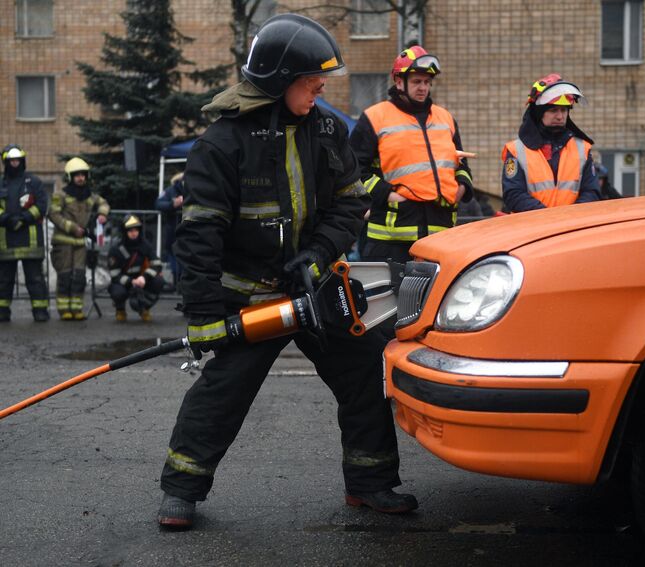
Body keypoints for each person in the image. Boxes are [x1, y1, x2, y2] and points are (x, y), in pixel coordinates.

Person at [157, 14, 416, 529]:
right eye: (310, 81)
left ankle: (370, 483)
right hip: (252, 298)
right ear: (279, 80)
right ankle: (182, 489)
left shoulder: (325, 127)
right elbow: (200, 235)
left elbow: (349, 203)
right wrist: (207, 316)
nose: (321, 88)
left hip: (318, 288)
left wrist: (316, 256)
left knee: (366, 371)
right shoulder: (223, 143)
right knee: (224, 390)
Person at [349, 45, 473, 265]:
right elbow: (354, 172)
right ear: (399, 82)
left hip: (440, 237)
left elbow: (460, 165)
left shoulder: (446, 119)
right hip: (390, 241)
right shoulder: (375, 118)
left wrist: (461, 188)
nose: (423, 88)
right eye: (417, 81)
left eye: (427, 82)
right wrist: (389, 195)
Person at [501, 73, 601, 213]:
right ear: (539, 113)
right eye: (553, 110)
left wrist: (571, 217)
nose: (560, 116)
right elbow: (513, 195)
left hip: (572, 228)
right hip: (532, 229)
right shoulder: (516, 150)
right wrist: (548, 218)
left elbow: (592, 192)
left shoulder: (582, 148)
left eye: (563, 110)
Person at [49, 157, 110, 321]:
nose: (80, 178)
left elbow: (104, 203)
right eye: (77, 175)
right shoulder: (60, 195)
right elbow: (53, 214)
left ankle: (77, 309)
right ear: (70, 177)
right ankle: (64, 310)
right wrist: (72, 227)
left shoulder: (90, 196)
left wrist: (103, 214)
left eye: (83, 175)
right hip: (63, 243)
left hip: (80, 244)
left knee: (79, 277)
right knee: (65, 276)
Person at [0, 145, 49, 322]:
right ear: (6, 162)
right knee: (4, 280)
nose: (15, 163)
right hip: (6, 239)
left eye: (18, 160)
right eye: (12, 161)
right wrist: (6, 219)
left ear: (22, 161)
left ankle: (40, 311)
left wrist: (25, 217)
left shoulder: (33, 182)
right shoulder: (0, 183)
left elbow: (42, 205)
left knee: (35, 278)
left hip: (31, 240)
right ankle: (2, 311)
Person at [107, 214, 165, 322]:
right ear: (125, 232)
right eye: (130, 231)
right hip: (123, 282)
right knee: (117, 292)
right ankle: (120, 309)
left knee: (158, 281)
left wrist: (144, 277)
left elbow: (157, 264)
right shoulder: (116, 249)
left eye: (136, 230)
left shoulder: (145, 245)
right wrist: (131, 281)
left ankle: (144, 308)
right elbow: (114, 275)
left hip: (141, 280)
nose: (134, 233)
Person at [154, 172, 185, 289]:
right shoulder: (171, 190)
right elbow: (158, 204)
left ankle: (183, 284)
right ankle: (177, 282)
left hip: (190, 231)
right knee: (174, 255)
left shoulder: (196, 188)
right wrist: (173, 204)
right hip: (173, 231)